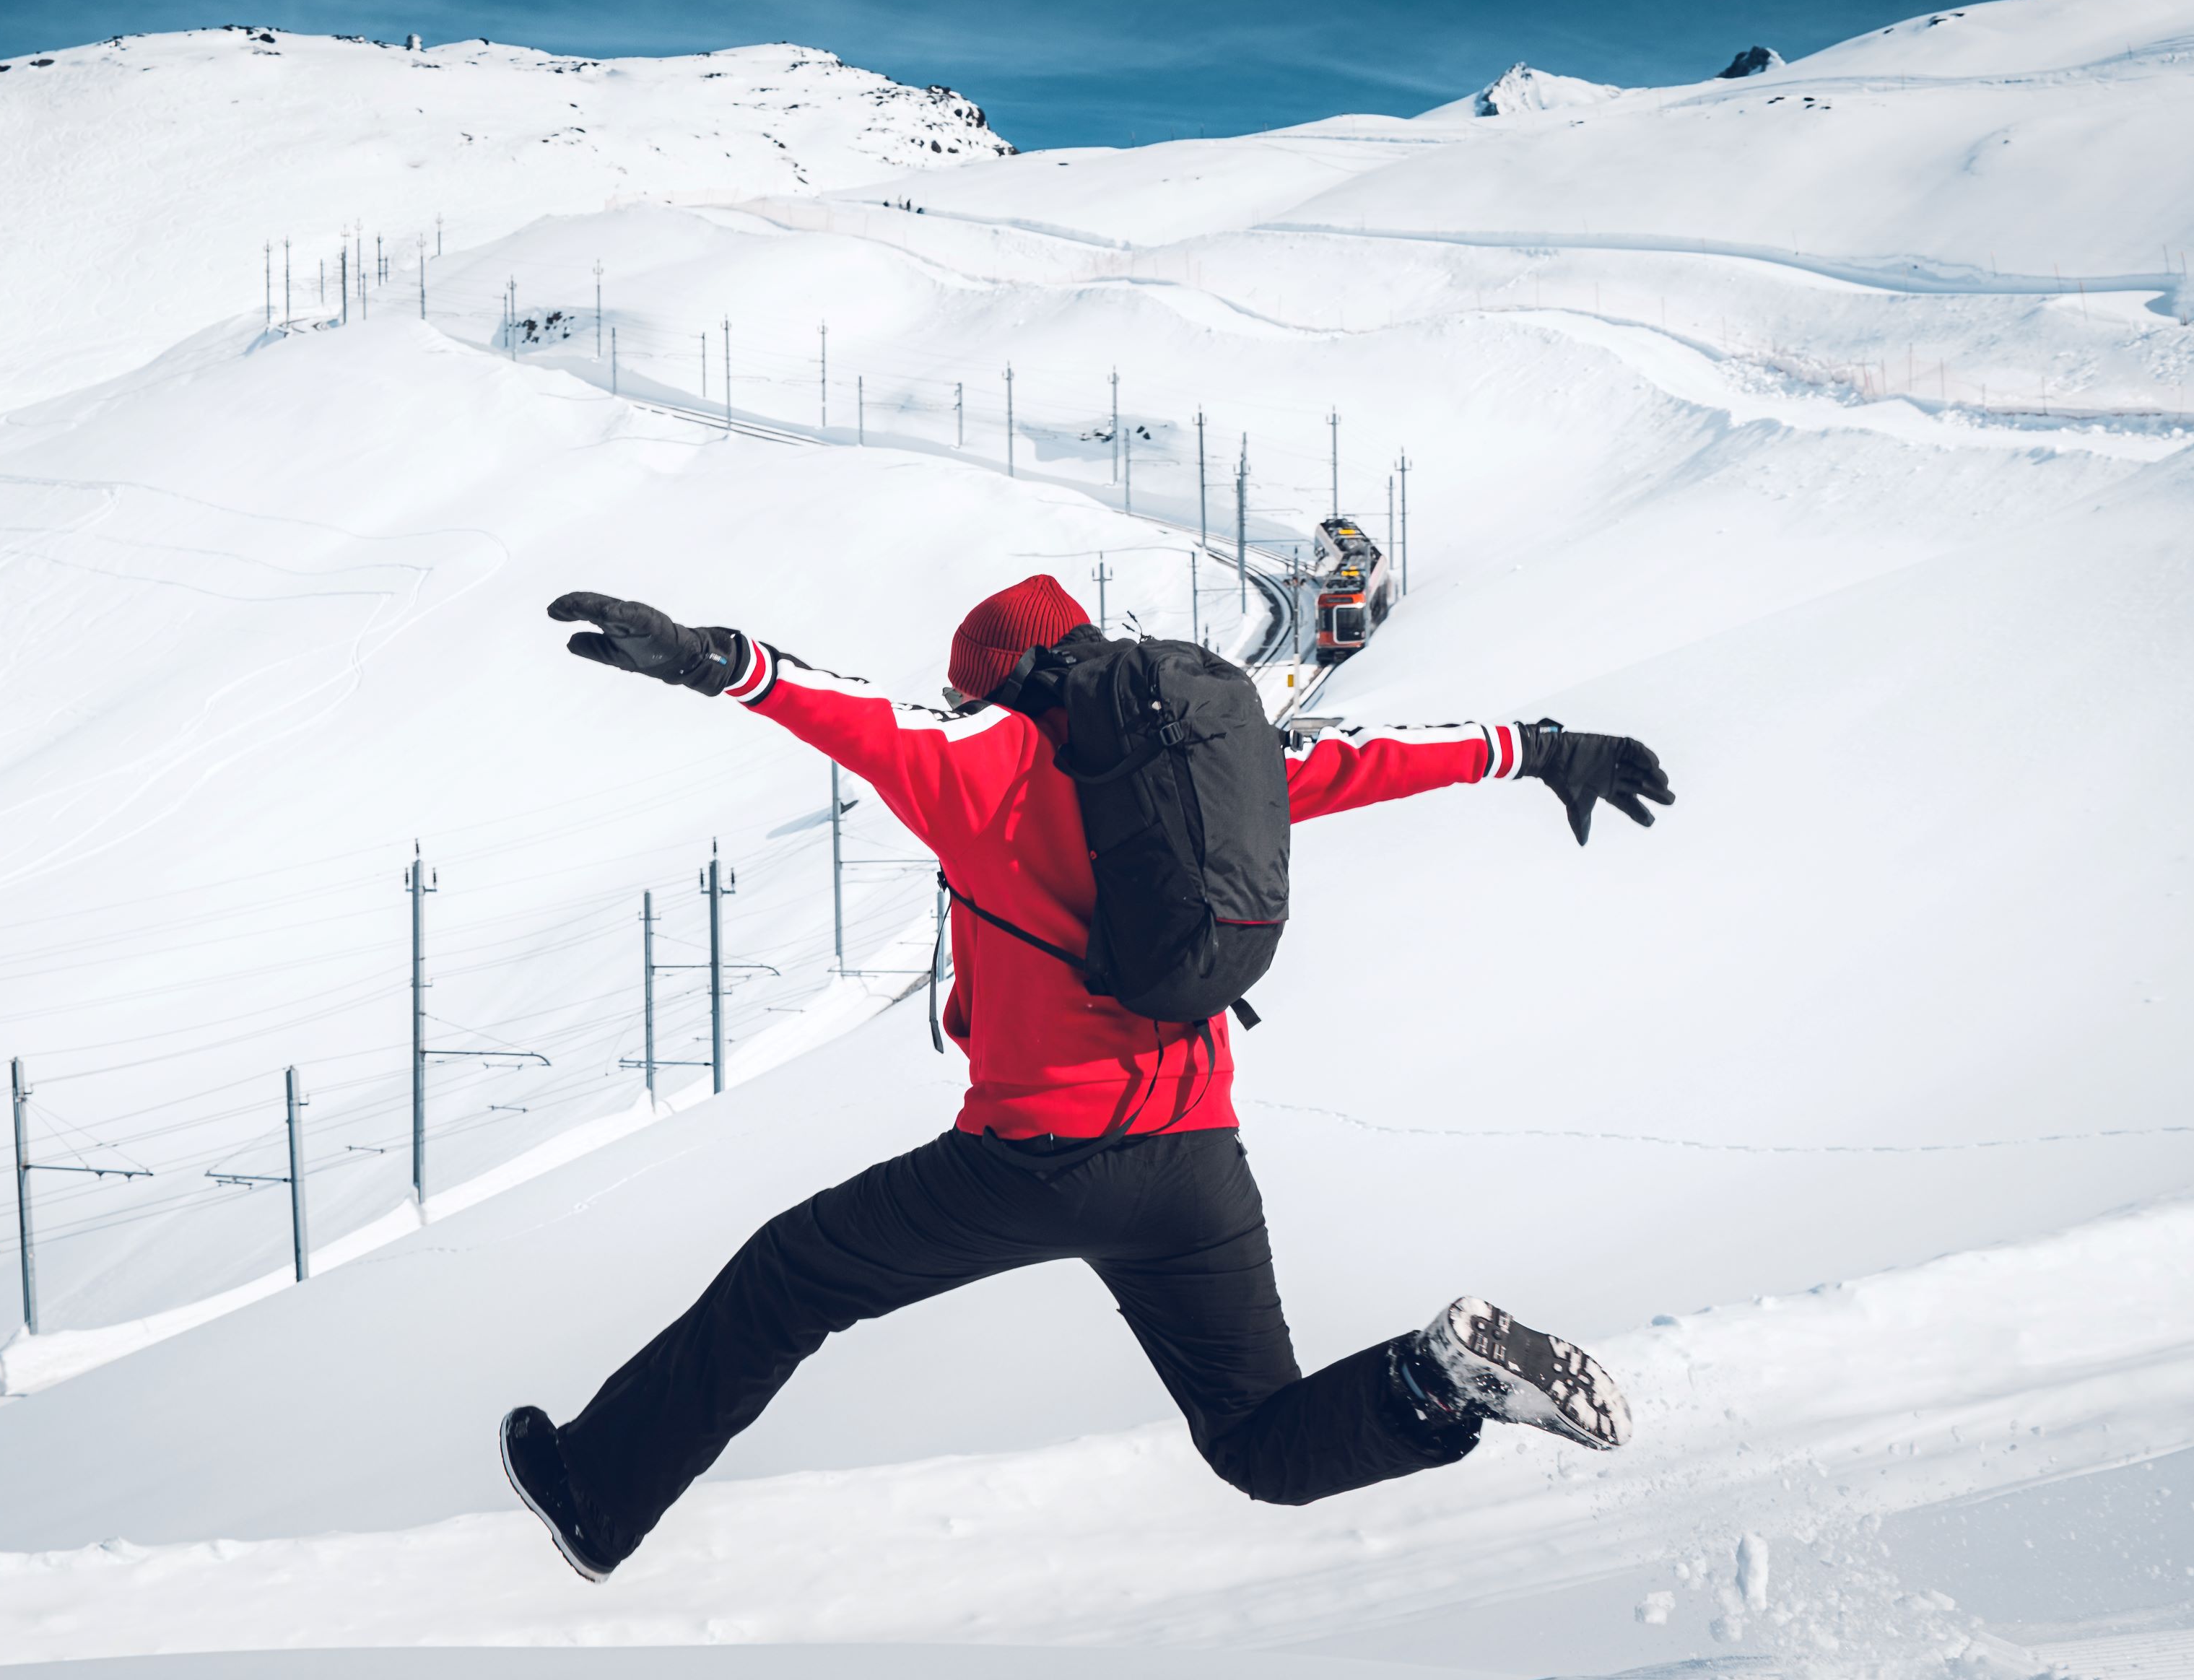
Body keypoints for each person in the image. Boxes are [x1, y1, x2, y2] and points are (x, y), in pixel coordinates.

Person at [503, 577, 1674, 1582]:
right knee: (1259, 1441)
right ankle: (1435, 1382)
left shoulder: (976, 757)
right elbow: (1378, 759)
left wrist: (713, 661)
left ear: (992, 684)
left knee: (789, 1279)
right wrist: (1546, 748)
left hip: (1035, 1163)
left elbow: (845, 712)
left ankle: (599, 1500)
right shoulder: (1211, 757)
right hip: (1195, 1166)